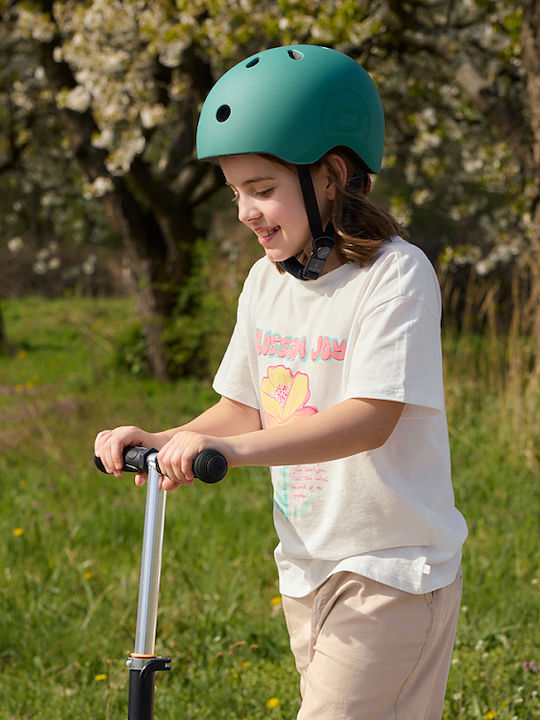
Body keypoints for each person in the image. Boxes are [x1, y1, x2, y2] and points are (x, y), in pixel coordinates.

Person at [95, 45, 467, 719]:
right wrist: (163, 438)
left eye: (262, 189)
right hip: (306, 566)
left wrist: (232, 453)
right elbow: (242, 406)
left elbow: (370, 416)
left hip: (389, 571)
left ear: (331, 176)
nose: (246, 211)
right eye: (236, 192)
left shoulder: (395, 276)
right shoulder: (267, 283)